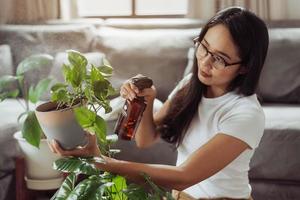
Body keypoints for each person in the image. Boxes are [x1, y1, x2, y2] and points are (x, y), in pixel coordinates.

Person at [49, 6, 269, 200]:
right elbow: (146, 140)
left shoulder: (245, 114)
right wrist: (147, 99)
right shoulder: (189, 86)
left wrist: (99, 160)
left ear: (244, 67)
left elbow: (185, 176)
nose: (205, 61)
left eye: (219, 58)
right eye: (204, 47)